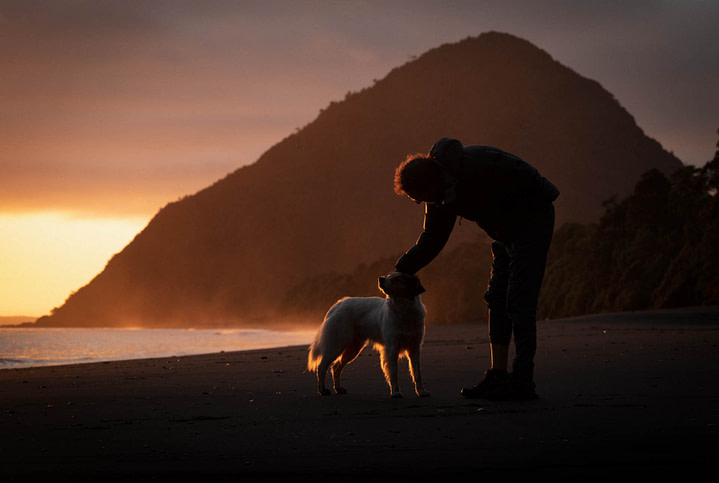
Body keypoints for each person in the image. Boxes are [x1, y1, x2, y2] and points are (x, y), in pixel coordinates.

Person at [393, 137, 559, 400]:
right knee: (496, 298)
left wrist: (512, 236)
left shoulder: (475, 169)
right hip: (505, 231)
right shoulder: (440, 196)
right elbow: (432, 240)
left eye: (417, 197)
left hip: (533, 218)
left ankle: (523, 381)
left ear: (430, 184)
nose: (418, 202)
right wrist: (402, 269)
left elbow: (527, 187)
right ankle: (498, 375)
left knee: (518, 301)